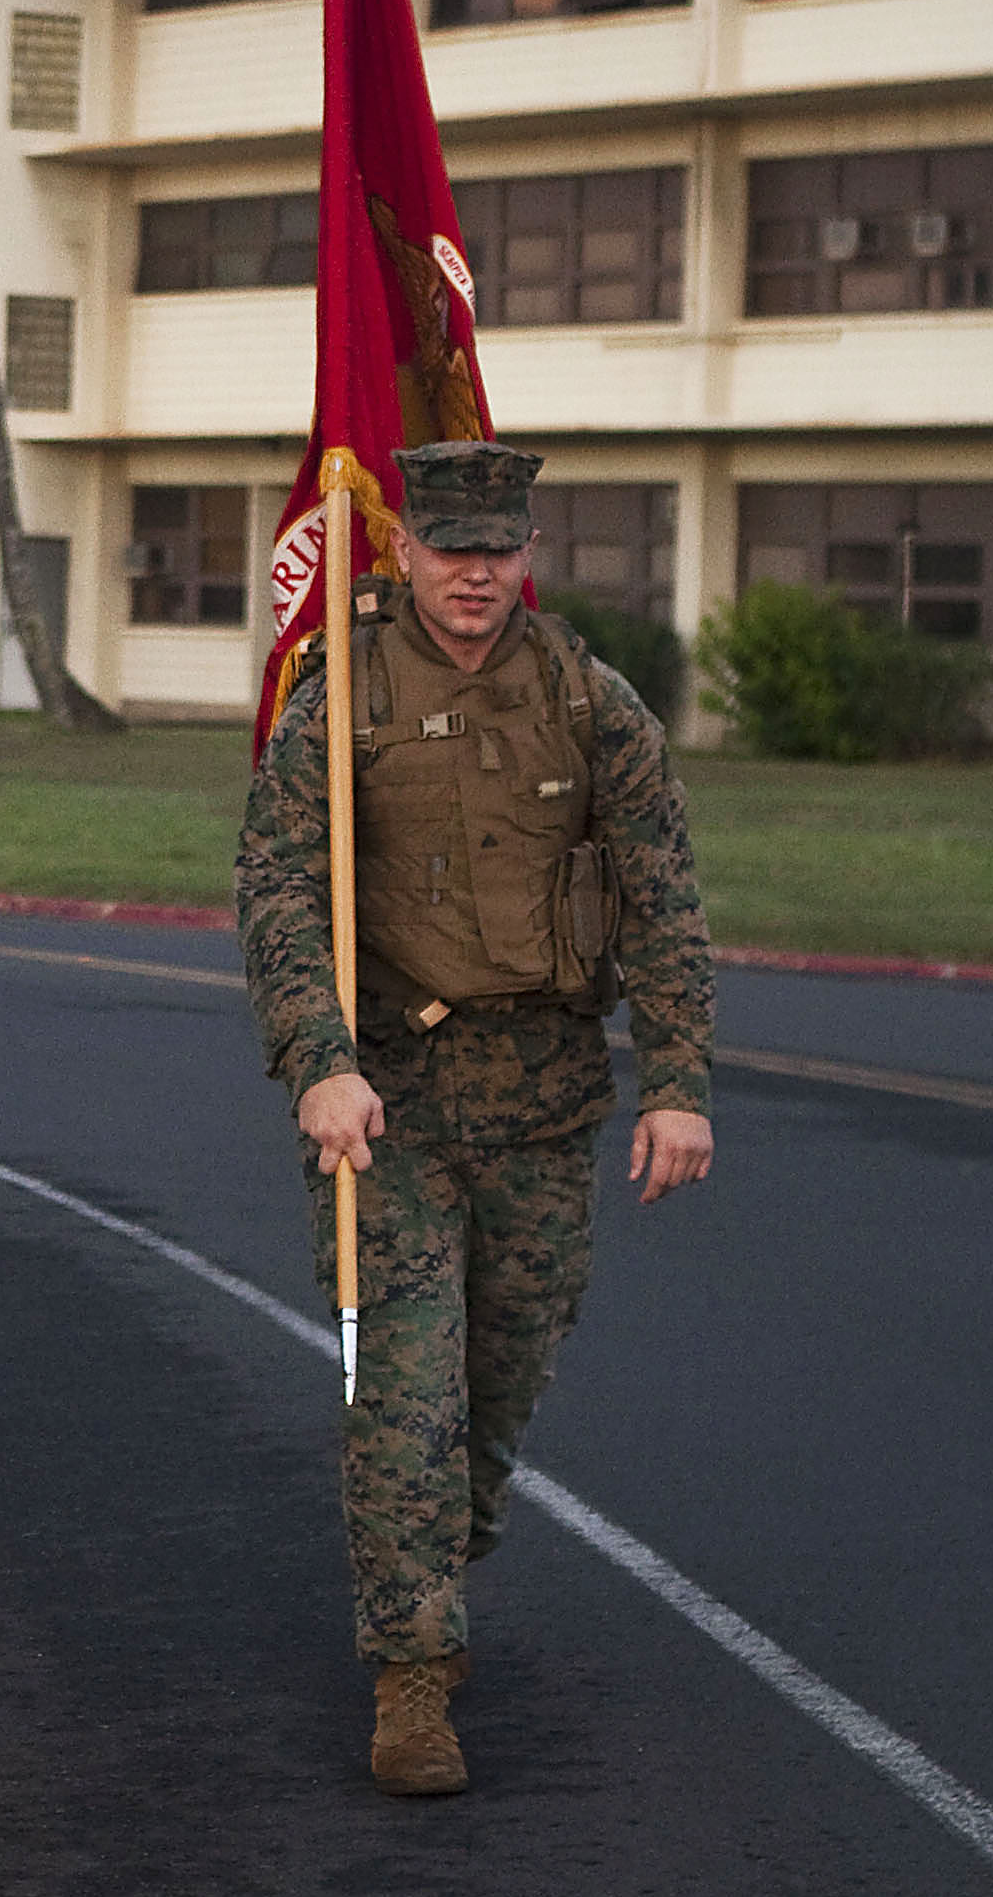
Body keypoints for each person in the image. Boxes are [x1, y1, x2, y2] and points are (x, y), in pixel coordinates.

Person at [236, 438, 715, 1798]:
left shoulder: (584, 697)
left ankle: (429, 1564)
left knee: (490, 1396)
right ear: (401, 549)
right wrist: (315, 1060)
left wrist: (675, 1082)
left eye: (495, 551)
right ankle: (411, 1671)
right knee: (403, 1394)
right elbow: (276, 890)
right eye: (448, 550)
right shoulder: (338, 698)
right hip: (381, 1105)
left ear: (526, 554)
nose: (471, 575)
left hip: (545, 1101)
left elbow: (661, 894)